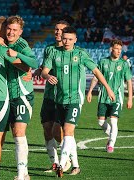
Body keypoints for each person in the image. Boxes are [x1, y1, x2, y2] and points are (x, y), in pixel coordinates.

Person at [41, 26, 115, 178]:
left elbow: (96, 71)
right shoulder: (54, 53)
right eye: (64, 38)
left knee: (68, 130)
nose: (66, 41)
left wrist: (108, 88)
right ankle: (75, 165)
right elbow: (44, 71)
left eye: (70, 39)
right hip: (59, 100)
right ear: (61, 39)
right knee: (63, 132)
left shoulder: (80, 54)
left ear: (75, 40)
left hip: (75, 99)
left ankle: (61, 164)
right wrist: (48, 76)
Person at [0, 15, 38, 180]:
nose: (10, 32)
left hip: (21, 94)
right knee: (0, 134)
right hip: (5, 96)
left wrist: (19, 57)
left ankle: (22, 174)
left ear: (20, 32)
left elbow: (33, 62)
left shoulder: (21, 44)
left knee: (18, 133)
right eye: (8, 29)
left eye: (14, 30)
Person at [33, 20, 72, 173]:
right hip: (48, 95)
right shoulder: (49, 49)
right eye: (56, 29)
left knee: (57, 130)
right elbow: (44, 67)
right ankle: (54, 162)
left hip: (62, 97)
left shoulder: (70, 51)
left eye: (61, 30)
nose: (57, 32)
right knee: (46, 128)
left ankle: (66, 158)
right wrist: (38, 71)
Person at [87, 39, 133, 153]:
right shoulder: (103, 62)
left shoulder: (123, 64)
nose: (118, 51)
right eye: (116, 49)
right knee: (101, 122)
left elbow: (129, 82)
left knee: (113, 121)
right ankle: (111, 136)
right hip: (103, 96)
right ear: (111, 49)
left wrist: (130, 99)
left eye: (120, 49)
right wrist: (90, 91)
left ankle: (111, 144)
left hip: (117, 97)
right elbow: (96, 77)